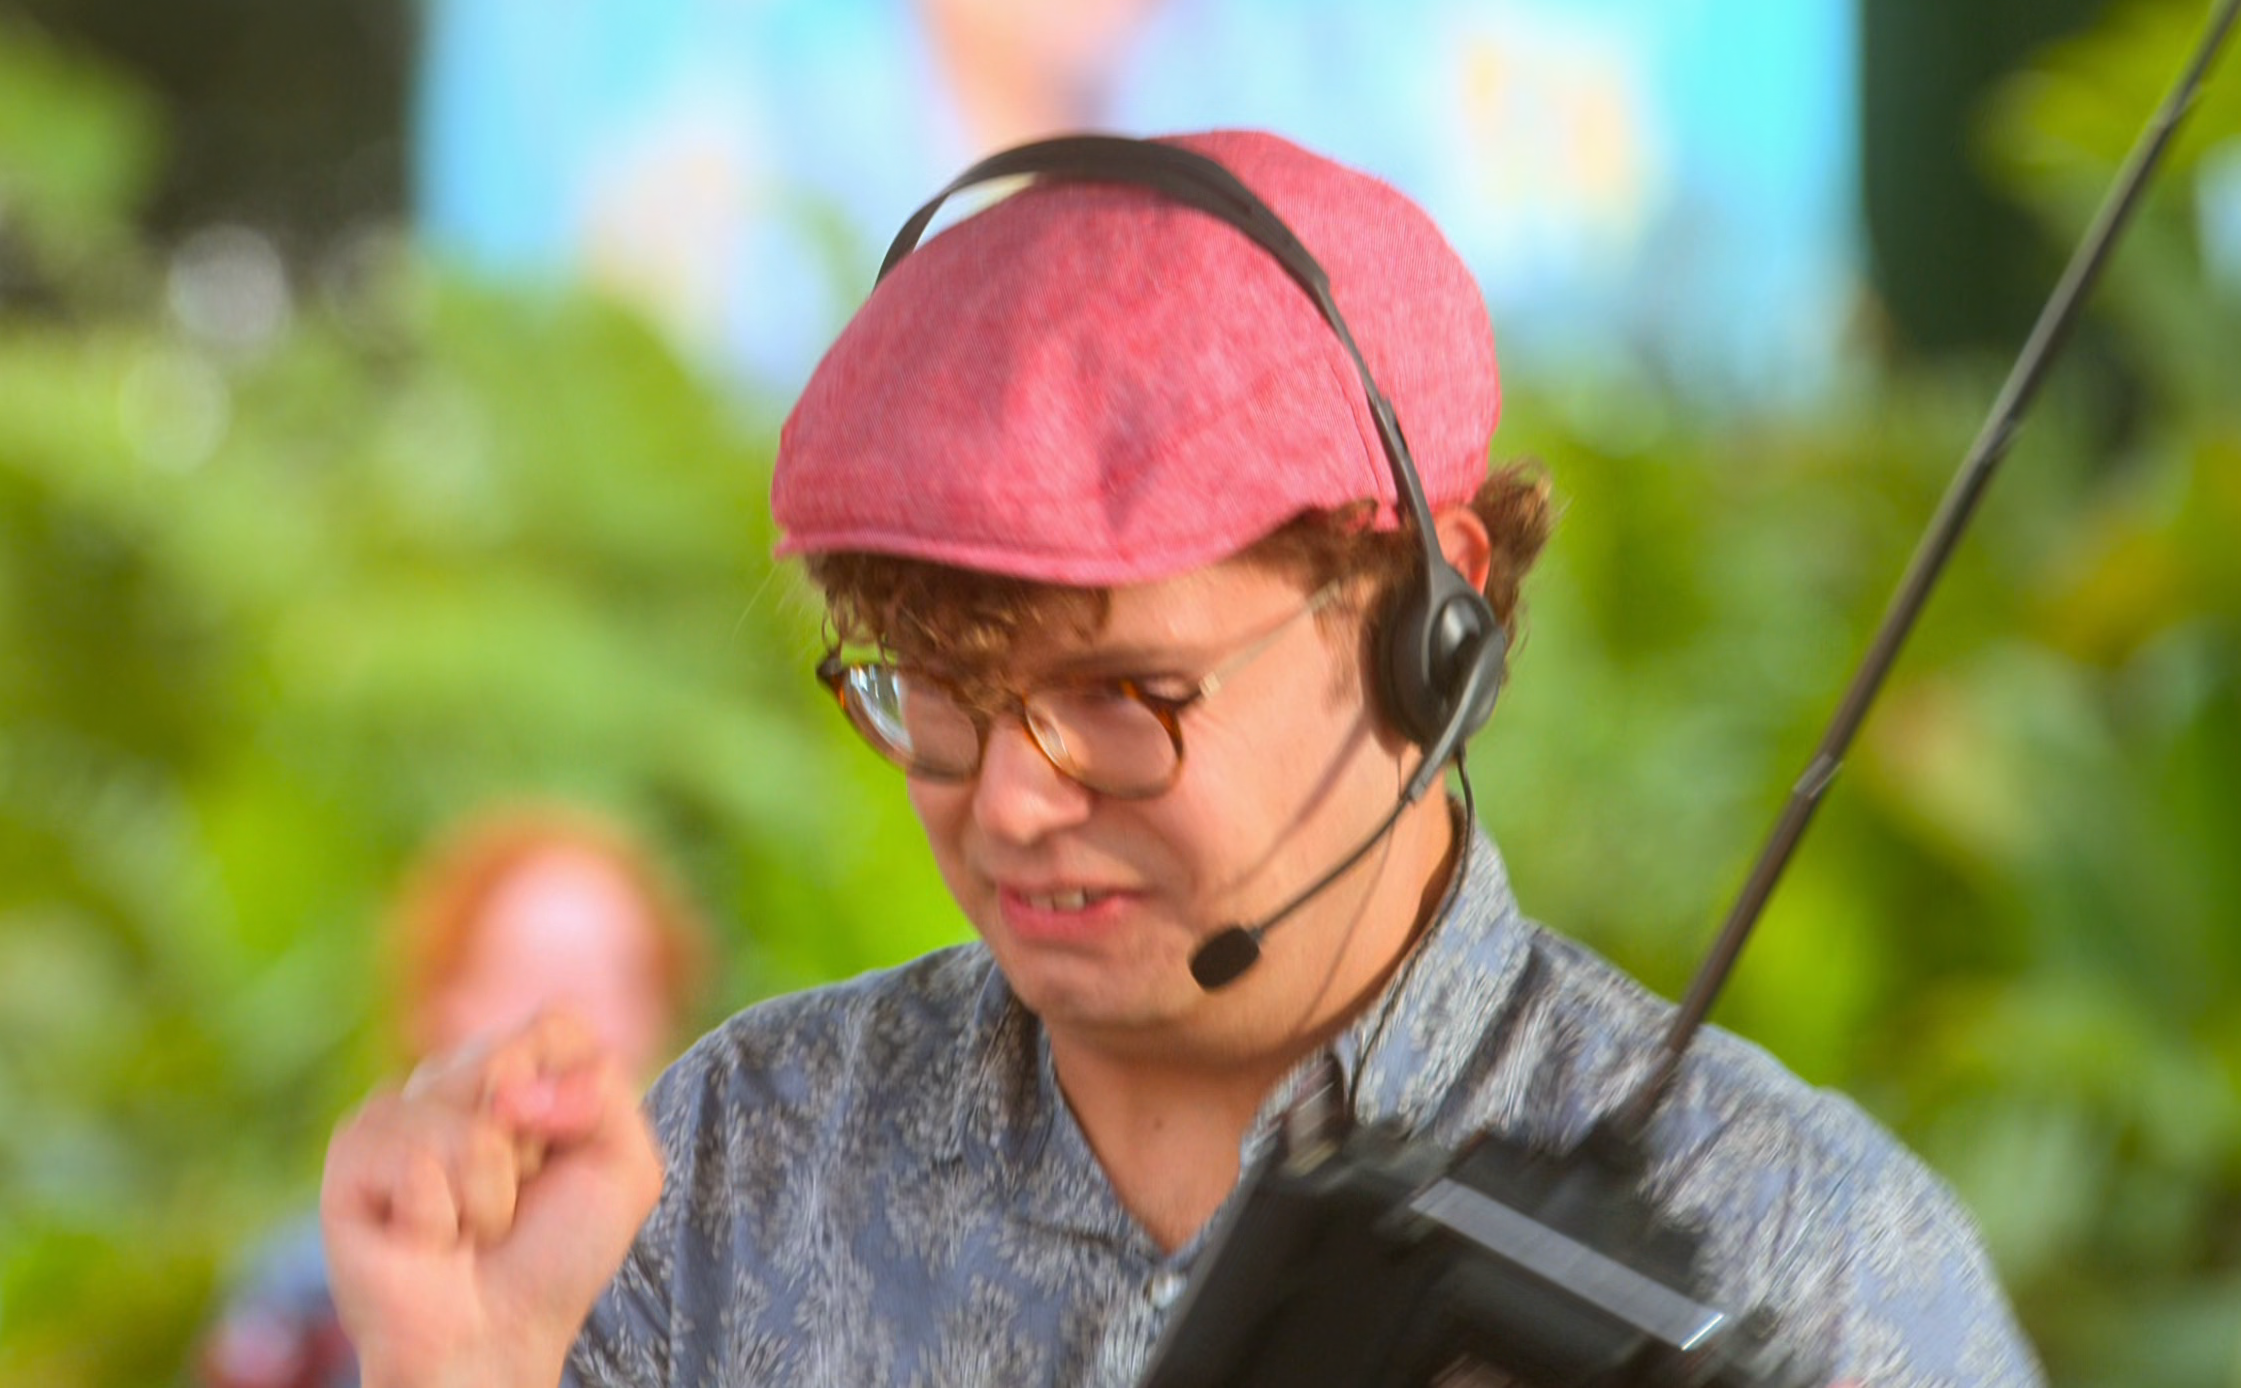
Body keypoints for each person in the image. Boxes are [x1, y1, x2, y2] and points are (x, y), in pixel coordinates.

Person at [319, 131, 2041, 1385]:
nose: (1009, 801)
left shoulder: (1797, 1255)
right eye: (936, 694)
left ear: (1429, 621)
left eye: (1123, 695)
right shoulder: (728, 1185)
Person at [197, 809, 707, 1388]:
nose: (569, 1017)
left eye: (614, 978)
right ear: (439, 1005)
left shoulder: (722, 1287)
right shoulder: (316, 1290)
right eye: (528, 971)